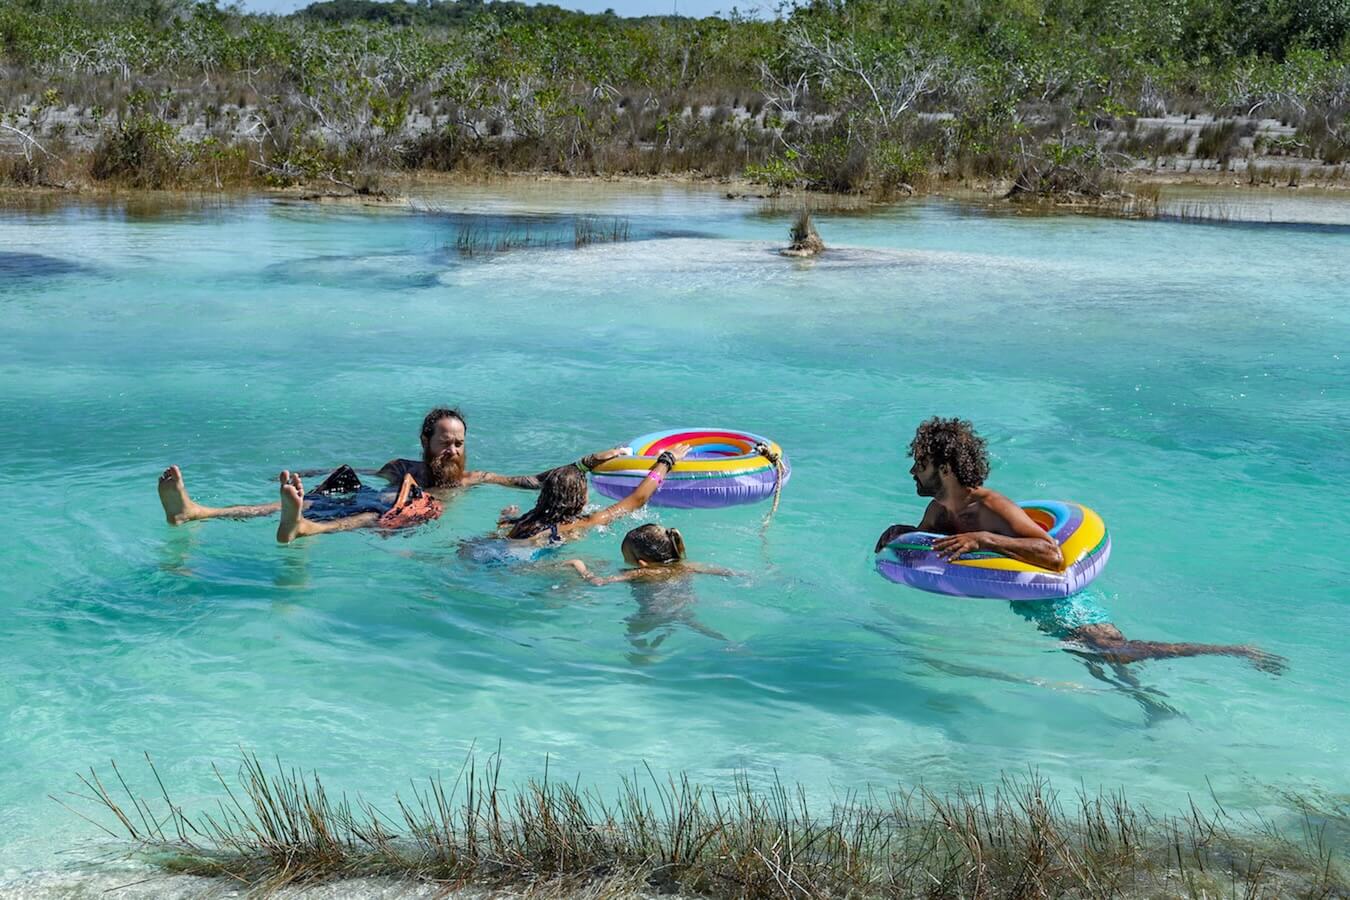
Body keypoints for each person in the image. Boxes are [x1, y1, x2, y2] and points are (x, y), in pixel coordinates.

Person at [875, 417, 1285, 674]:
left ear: (945, 468)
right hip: (1024, 600)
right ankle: (1151, 706)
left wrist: (984, 538)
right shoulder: (938, 510)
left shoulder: (991, 508)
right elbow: (924, 546)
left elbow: (1052, 555)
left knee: (1116, 651)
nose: (913, 471)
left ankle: (1235, 651)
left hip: (1059, 598)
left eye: (921, 463)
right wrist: (899, 533)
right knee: (1096, 662)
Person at [156, 406, 625, 543]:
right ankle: (196, 512)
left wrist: (587, 461)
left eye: (459, 443)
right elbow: (361, 471)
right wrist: (311, 473)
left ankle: (303, 527)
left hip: (396, 516)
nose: (453, 450)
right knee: (317, 502)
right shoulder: (401, 468)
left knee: (368, 517)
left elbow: (535, 481)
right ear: (426, 440)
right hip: (380, 500)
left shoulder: (474, 479)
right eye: (445, 441)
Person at [563, 524, 736, 663]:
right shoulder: (688, 567)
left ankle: (644, 660)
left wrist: (580, 566)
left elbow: (598, 582)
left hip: (651, 615)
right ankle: (733, 646)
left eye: (626, 557)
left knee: (634, 632)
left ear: (641, 562)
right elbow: (725, 572)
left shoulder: (642, 573)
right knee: (702, 629)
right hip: (683, 608)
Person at [492, 443, 694, 549]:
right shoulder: (580, 523)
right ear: (579, 499)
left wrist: (584, 464)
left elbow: (555, 478)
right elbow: (637, 500)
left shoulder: (529, 519)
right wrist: (667, 460)